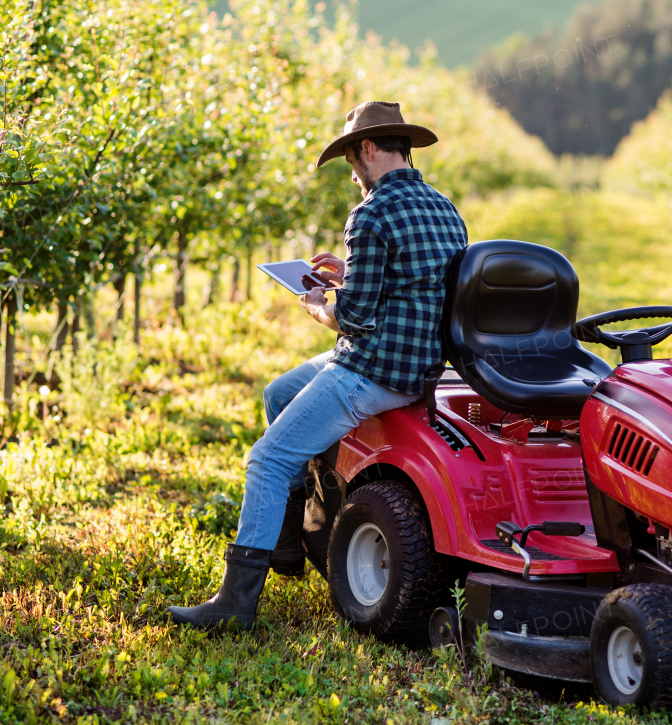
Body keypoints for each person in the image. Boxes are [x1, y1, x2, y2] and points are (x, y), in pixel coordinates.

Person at [168, 100, 468, 629]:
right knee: (278, 395)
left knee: (266, 460)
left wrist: (318, 304)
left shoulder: (370, 213)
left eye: (353, 161)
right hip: (419, 365)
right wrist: (347, 272)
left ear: (369, 150)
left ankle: (236, 604)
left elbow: (352, 317)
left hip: (371, 371)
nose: (354, 175)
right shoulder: (445, 209)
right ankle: (286, 543)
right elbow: (412, 283)